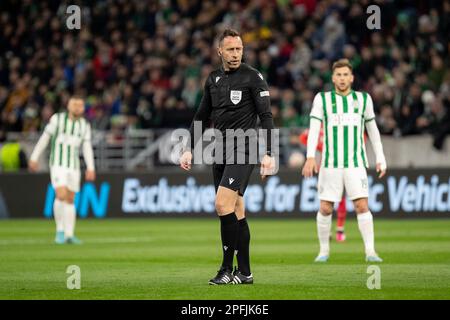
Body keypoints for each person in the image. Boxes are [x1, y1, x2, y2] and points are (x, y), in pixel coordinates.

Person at [179, 29, 276, 285]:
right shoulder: (213, 79)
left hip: (244, 149)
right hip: (219, 150)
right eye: (230, 49)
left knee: (222, 205)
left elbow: (266, 117)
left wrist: (269, 153)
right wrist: (189, 147)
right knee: (236, 209)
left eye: (239, 49)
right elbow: (201, 116)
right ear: (219, 51)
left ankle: (225, 270)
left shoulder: (253, 77)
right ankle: (245, 273)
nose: (235, 54)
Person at [302, 59, 386, 263]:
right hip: (330, 163)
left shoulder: (363, 99)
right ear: (333, 78)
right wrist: (310, 156)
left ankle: (370, 252)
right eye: (338, 75)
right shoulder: (322, 99)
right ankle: (323, 251)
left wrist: (381, 157)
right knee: (325, 208)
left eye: (345, 74)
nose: (342, 78)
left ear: (352, 77)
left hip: (356, 163)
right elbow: (314, 129)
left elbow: (373, 131)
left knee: (362, 205)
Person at [29, 96, 96, 244]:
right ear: (69, 106)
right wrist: (34, 157)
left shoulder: (85, 125)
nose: (78, 107)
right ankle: (59, 231)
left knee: (71, 199)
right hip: (58, 164)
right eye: (75, 104)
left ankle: (69, 234)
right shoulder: (57, 119)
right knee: (61, 194)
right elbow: (44, 139)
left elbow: (86, 148)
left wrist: (91, 167)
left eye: (80, 105)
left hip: (74, 166)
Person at [299, 128, 348, 242]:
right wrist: (316, 146)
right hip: (325, 169)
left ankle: (340, 230)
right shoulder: (319, 129)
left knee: (341, 199)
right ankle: (329, 230)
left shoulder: (339, 127)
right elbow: (303, 137)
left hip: (341, 166)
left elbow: (362, 137)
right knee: (326, 201)